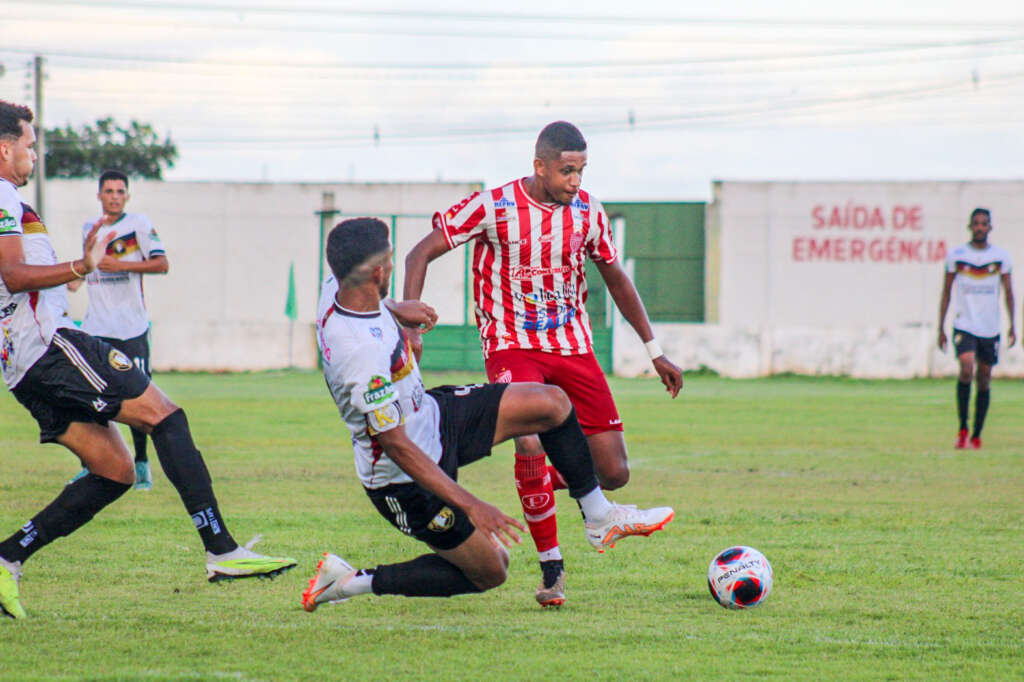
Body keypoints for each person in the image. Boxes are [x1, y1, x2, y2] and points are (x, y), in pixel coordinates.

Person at [0, 101, 295, 620]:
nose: (35, 155)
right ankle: (222, 550)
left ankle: (7, 557)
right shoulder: (2, 194)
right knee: (166, 416)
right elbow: (15, 276)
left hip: (25, 365)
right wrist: (81, 265)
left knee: (114, 471)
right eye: (29, 145)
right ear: (5, 149)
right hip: (50, 347)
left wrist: (72, 272)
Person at [300, 218, 673, 612]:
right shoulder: (361, 354)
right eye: (390, 262)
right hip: (405, 478)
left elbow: (363, 299)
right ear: (378, 272)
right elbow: (396, 446)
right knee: (492, 570)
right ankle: (348, 583)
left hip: (434, 416)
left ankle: (599, 516)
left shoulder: (336, 287)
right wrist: (472, 505)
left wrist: (395, 307)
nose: (393, 267)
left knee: (551, 403)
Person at [402, 121, 682, 607]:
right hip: (512, 344)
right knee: (529, 436)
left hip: (572, 346)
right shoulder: (494, 206)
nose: (575, 181)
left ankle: (552, 485)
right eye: (567, 170)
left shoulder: (589, 212)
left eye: (581, 171)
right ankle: (552, 568)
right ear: (540, 166)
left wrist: (654, 350)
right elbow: (419, 253)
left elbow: (616, 278)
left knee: (614, 471)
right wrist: (409, 324)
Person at [67, 169, 168, 490]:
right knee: (91, 398)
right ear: (99, 195)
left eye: (120, 191)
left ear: (127, 196)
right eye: (108, 191)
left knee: (139, 397)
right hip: (97, 327)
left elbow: (161, 264)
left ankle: (141, 464)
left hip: (131, 328)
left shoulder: (139, 224)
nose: (114, 196)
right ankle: (91, 466)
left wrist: (121, 265)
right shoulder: (90, 228)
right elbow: (88, 269)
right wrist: (75, 279)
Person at [938, 207, 1015, 449]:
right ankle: (962, 428)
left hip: (990, 327)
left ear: (990, 227)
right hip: (965, 323)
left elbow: (1008, 292)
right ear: (970, 227)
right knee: (966, 366)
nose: (980, 227)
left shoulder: (1001, 257)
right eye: (976, 223)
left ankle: (977, 434)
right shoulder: (957, 256)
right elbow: (946, 291)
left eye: (984, 223)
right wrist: (941, 327)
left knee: (984, 378)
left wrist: (1013, 325)